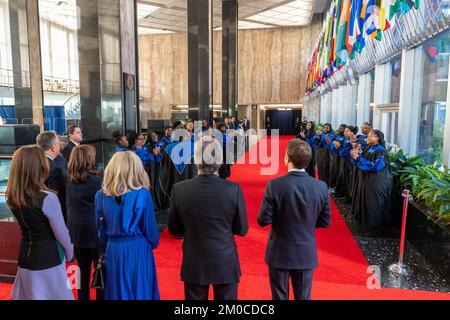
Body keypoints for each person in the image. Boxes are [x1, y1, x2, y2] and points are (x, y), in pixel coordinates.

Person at [168, 137, 249, 300]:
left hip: (194, 260)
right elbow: (242, 229)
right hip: (225, 260)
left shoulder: (180, 189)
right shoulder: (233, 189)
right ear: (219, 160)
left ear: (196, 160)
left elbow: (175, 230)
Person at [258, 139, 331, 300]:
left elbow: (263, 220)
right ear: (308, 160)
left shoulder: (275, 185)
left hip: (279, 252)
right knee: (304, 297)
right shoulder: (321, 186)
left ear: (287, 158)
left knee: (279, 297)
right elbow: (325, 221)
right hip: (305, 252)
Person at [6, 146, 74, 300]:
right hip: (49, 257)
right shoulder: (47, 198)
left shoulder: (12, 196)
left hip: (25, 256)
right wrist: (70, 253)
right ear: (39, 167)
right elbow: (62, 233)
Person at [95, 151, 160, 300]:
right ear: (136, 169)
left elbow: (100, 231)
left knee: (116, 291)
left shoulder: (101, 195)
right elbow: (151, 232)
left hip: (113, 249)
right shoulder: (143, 194)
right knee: (140, 289)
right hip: (138, 248)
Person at [66, 145, 104, 301]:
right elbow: (102, 207)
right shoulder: (96, 180)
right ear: (88, 160)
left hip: (76, 229)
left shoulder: (68, 179)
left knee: (82, 270)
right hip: (94, 230)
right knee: (100, 269)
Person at [351, 130, 393, 234]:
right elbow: (361, 160)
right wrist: (357, 154)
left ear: (377, 138)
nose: (367, 138)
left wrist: (358, 158)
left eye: (370, 136)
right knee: (368, 202)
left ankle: (373, 229)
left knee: (374, 204)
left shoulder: (380, 150)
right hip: (369, 178)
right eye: (368, 136)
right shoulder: (370, 147)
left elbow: (375, 166)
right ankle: (366, 224)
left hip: (378, 180)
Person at [36, 131, 67, 223]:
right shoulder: (55, 170)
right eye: (58, 143)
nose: (60, 144)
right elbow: (59, 200)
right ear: (53, 147)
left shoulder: (32, 164)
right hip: (51, 220)